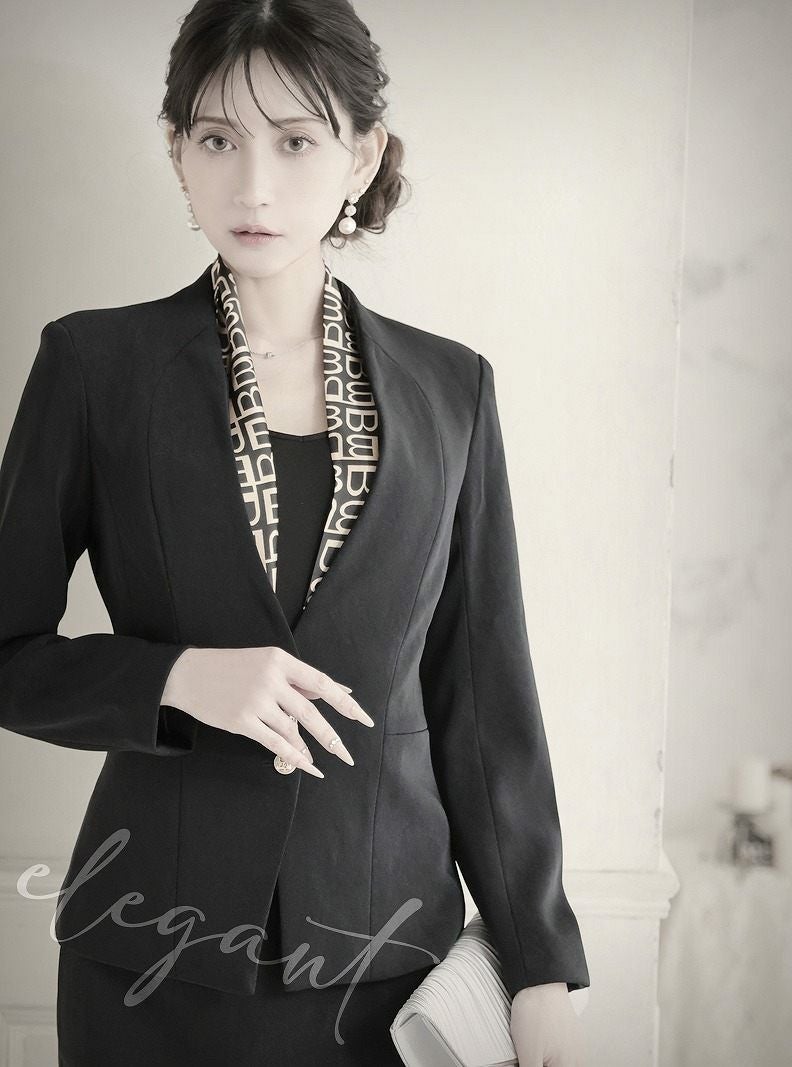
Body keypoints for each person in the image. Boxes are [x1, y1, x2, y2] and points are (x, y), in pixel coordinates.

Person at [0, 1, 589, 1063]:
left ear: (360, 155)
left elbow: (483, 694)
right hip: (149, 961)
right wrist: (177, 676)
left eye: (296, 141)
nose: (253, 186)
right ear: (177, 152)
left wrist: (538, 957)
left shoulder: (450, 389)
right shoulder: (94, 368)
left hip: (383, 963)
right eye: (218, 139)